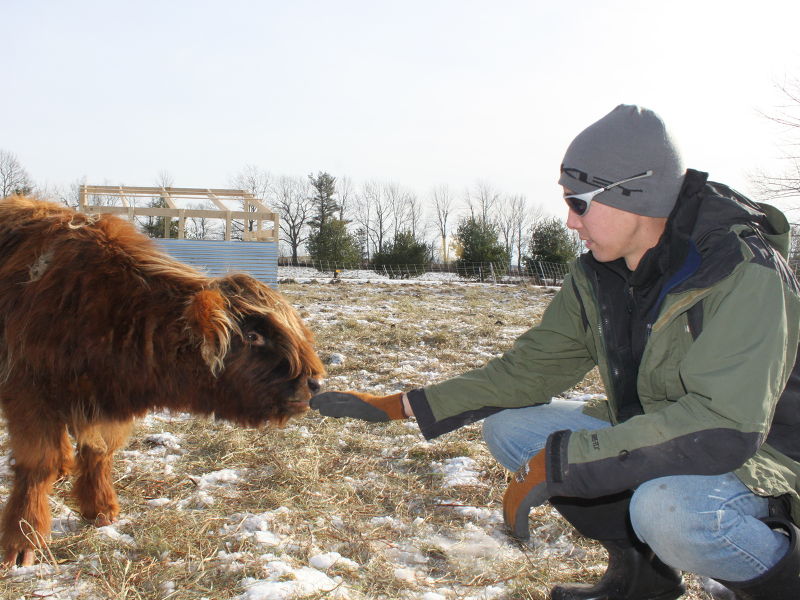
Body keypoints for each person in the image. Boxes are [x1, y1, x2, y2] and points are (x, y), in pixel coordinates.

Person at [310, 105, 800, 600]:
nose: (569, 221)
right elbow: (529, 370)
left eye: (579, 203)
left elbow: (724, 426)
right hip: (667, 432)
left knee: (668, 509)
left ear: (635, 192)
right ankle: (641, 576)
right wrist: (402, 404)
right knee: (511, 429)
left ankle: (780, 578)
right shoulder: (599, 273)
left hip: (762, 457)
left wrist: (565, 464)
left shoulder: (741, 269)